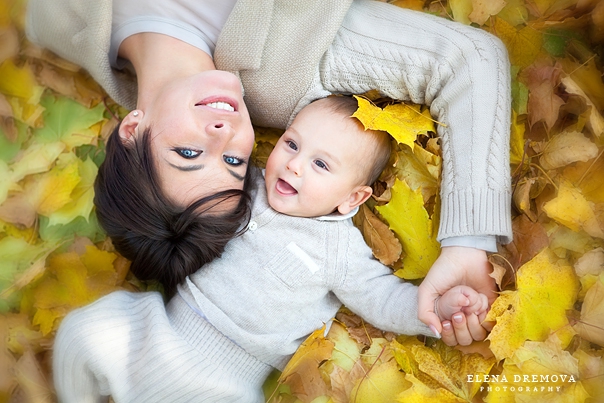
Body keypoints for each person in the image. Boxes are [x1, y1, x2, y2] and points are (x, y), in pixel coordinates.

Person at [26, 0, 512, 331]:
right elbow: (468, 59)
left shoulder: (56, 18)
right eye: (234, 160)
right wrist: (467, 243)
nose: (223, 132)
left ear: (133, 129)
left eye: (188, 154)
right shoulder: (293, 70)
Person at [53, 96, 490, 402]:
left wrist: (436, 307)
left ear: (352, 198)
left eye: (320, 164)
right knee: (84, 331)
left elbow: (383, 298)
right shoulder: (246, 183)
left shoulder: (339, 251)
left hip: (226, 380)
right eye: (292, 144)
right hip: (160, 330)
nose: (295, 164)